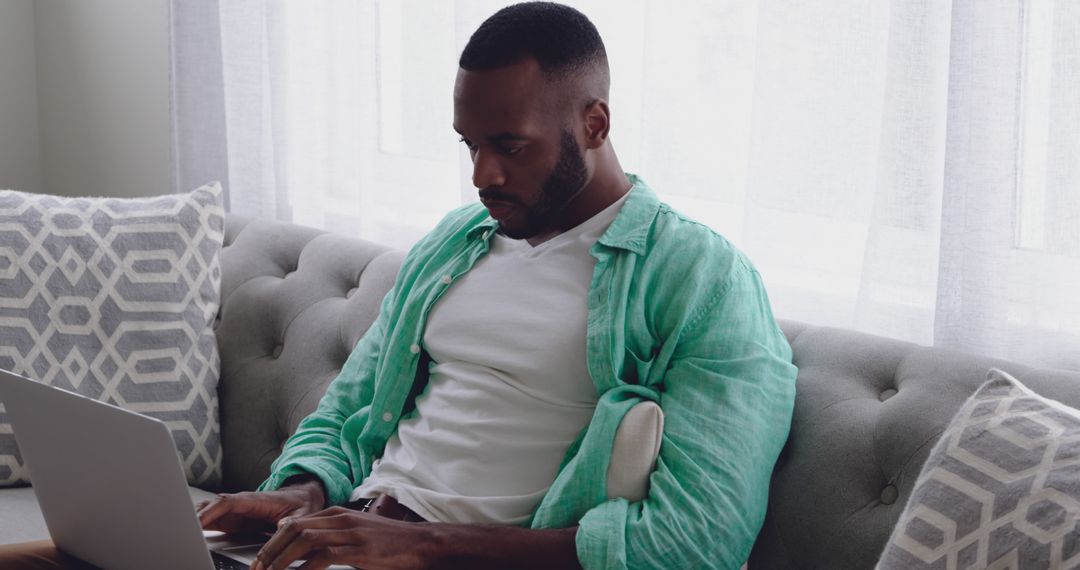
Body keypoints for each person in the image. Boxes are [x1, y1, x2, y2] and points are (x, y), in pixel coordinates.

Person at [0, 3, 796, 569]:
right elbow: (348, 412)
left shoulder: (701, 281)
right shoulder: (457, 242)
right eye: (469, 145)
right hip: (352, 541)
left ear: (593, 123)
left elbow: (696, 544)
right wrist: (304, 494)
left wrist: (420, 545)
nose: (483, 174)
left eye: (508, 147)